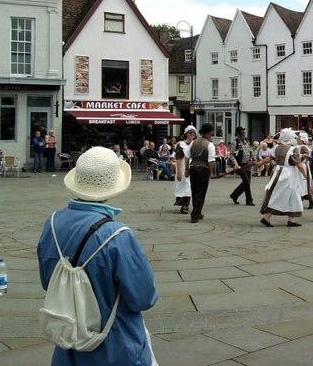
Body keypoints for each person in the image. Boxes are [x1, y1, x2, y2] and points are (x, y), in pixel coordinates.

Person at [37, 146, 158, 365]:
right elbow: (143, 297)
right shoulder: (117, 235)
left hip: (68, 344)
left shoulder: (52, 224)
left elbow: (49, 283)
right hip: (116, 344)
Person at [256, 128, 305, 227]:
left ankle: (291, 219)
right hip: (289, 174)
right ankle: (267, 217)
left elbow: (269, 159)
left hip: (277, 172)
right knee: (280, 196)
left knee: (291, 195)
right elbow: (299, 164)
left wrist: (260, 162)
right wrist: (304, 173)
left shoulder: (276, 147)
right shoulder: (293, 149)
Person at [187, 123, 216, 223]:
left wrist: (187, 169)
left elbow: (187, 156)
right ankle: (195, 215)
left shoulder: (193, 142)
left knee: (194, 191)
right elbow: (211, 161)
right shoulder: (210, 145)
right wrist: (211, 172)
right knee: (201, 192)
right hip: (203, 169)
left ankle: (197, 212)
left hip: (193, 168)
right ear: (208, 133)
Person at [229, 126, 255, 206]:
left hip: (247, 164)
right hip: (240, 165)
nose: (243, 134)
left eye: (244, 132)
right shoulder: (235, 143)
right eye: (242, 133)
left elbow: (250, 150)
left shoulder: (246, 141)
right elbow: (231, 155)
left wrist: (253, 158)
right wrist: (235, 164)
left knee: (247, 182)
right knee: (246, 182)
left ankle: (234, 195)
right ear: (237, 134)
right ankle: (249, 200)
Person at [175, 125, 196, 214]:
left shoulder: (196, 144)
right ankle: (183, 204)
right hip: (183, 167)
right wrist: (179, 171)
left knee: (189, 187)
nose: (192, 134)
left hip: (193, 167)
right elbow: (178, 158)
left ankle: (185, 205)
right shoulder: (181, 144)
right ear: (186, 134)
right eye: (190, 132)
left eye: (193, 133)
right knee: (182, 186)